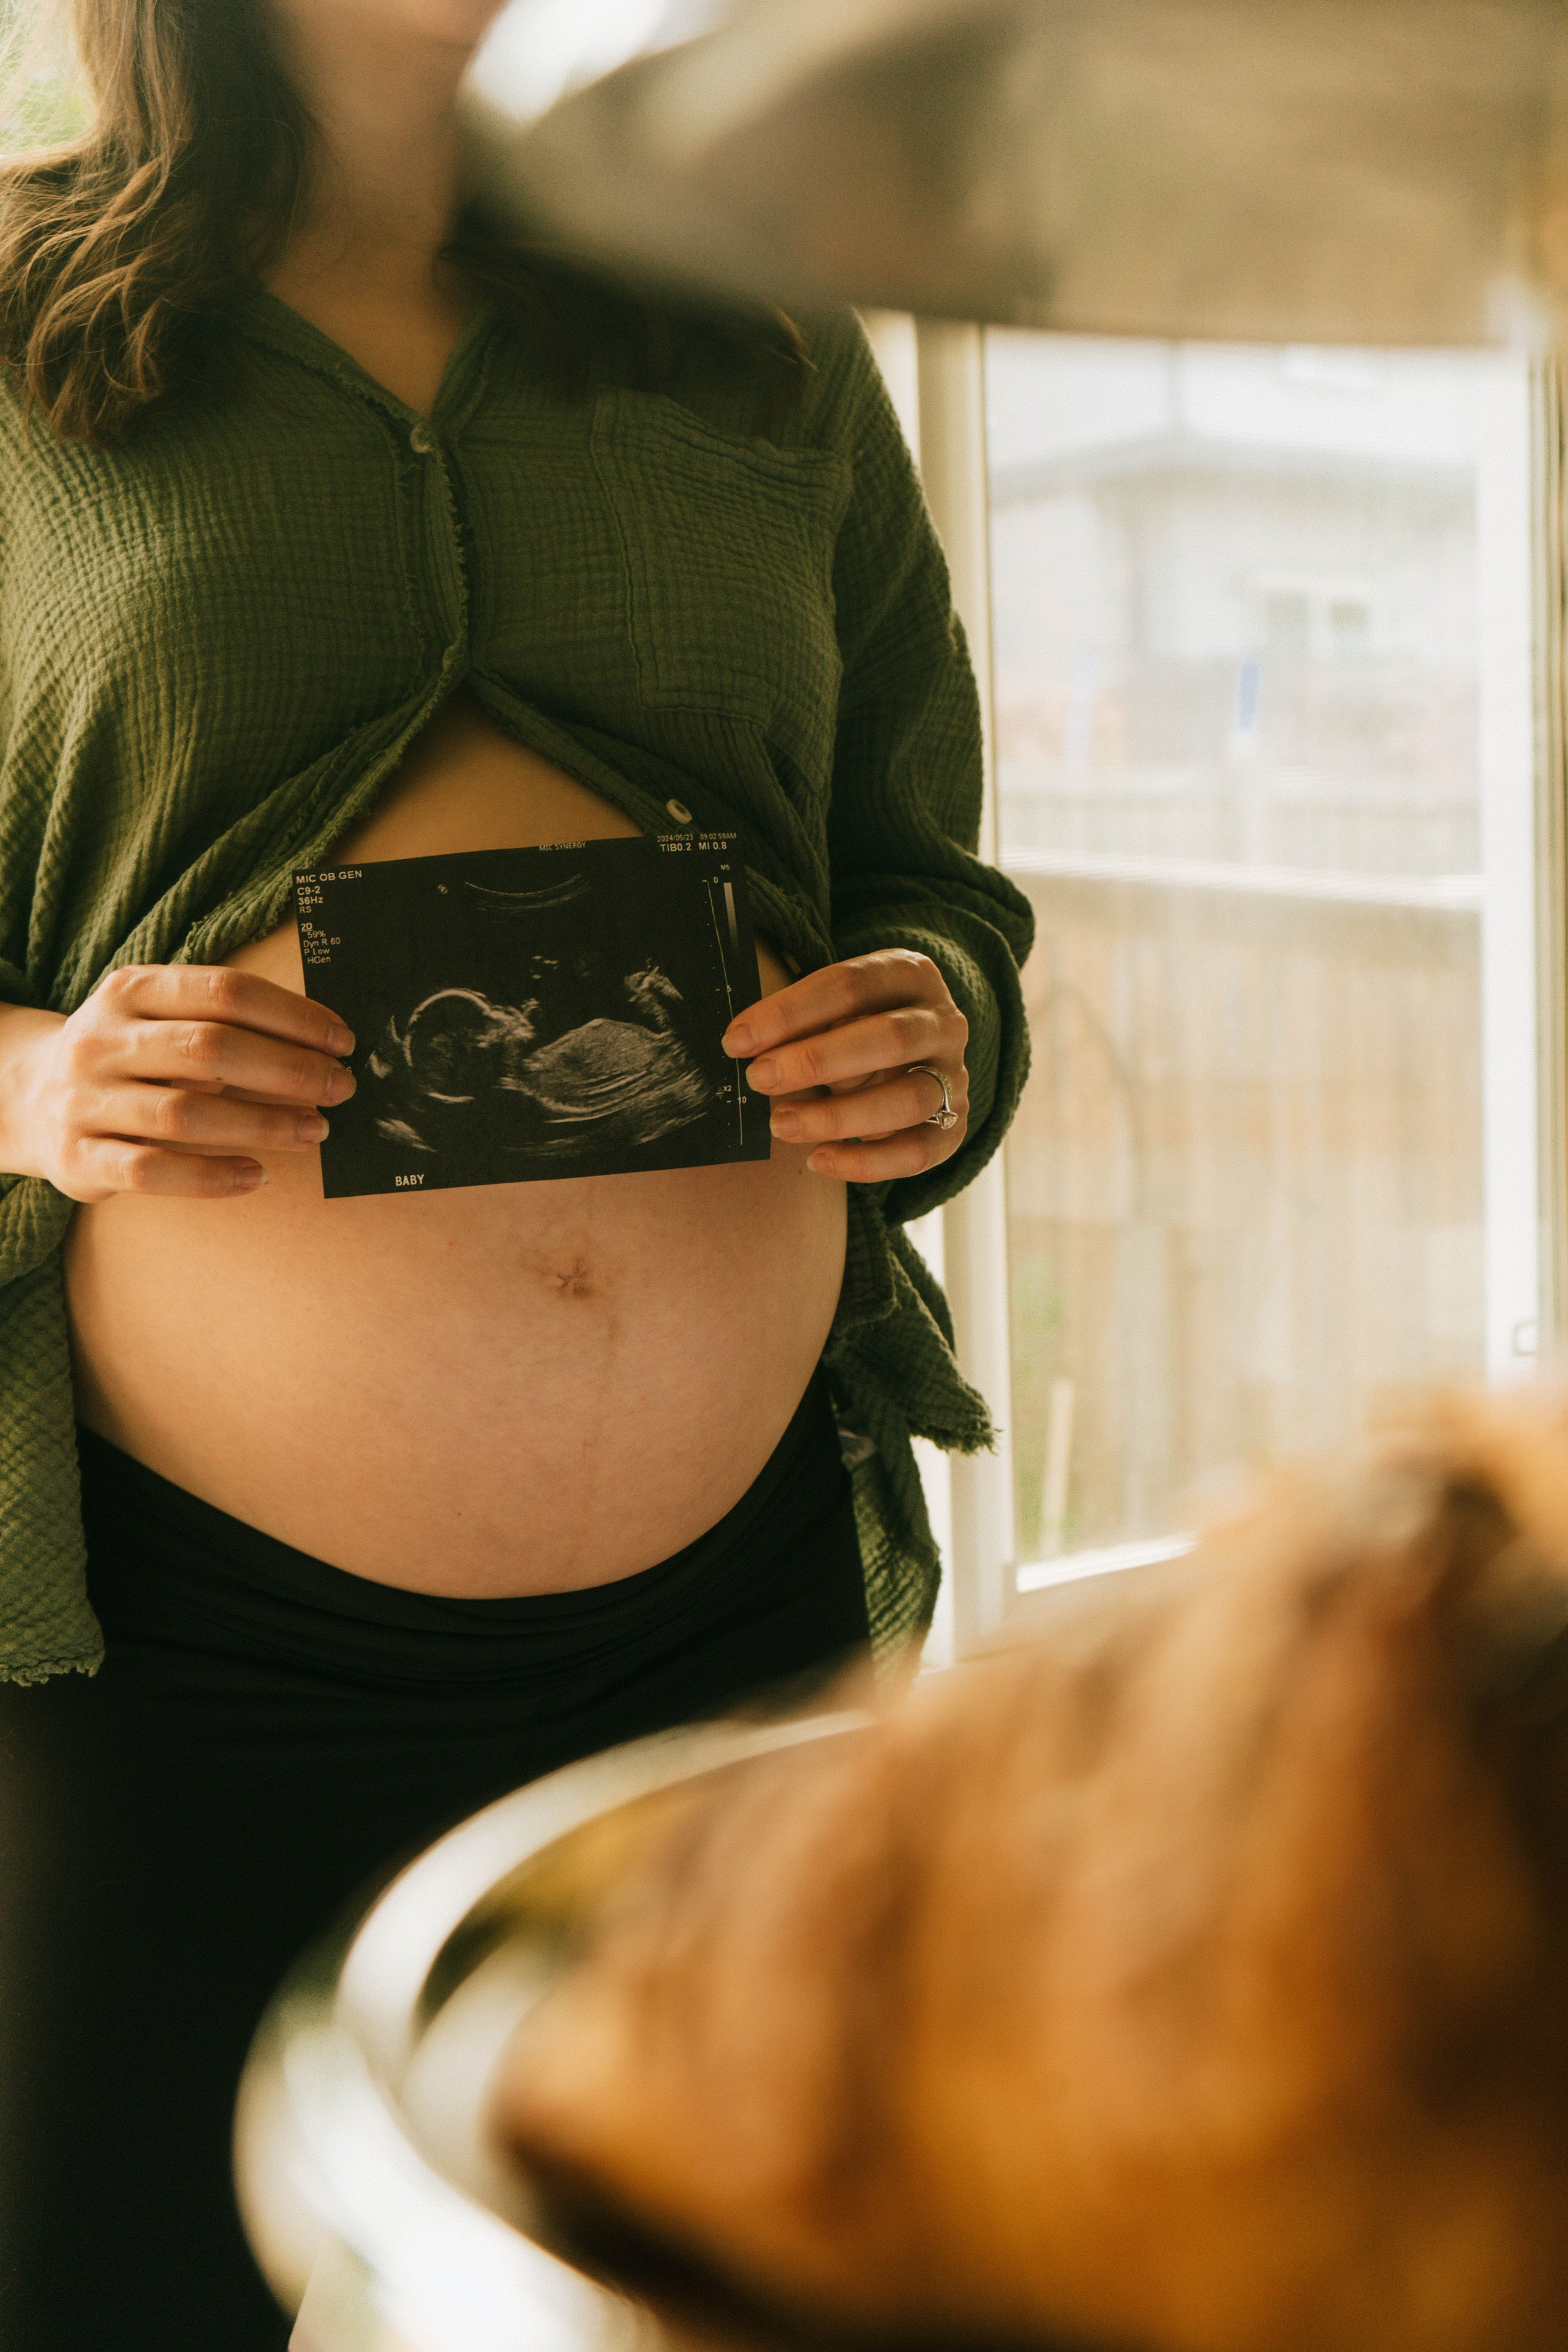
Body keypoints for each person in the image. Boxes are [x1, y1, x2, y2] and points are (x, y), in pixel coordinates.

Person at [0, 0, 1032, 2343]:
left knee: (752, 2304)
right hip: (181, 1657)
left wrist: (937, 1024)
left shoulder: (766, 330)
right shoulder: (11, 334)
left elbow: (931, 878)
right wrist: (41, 1085)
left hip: (744, 1623)